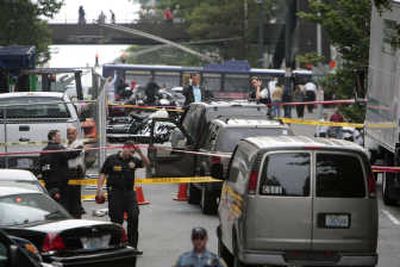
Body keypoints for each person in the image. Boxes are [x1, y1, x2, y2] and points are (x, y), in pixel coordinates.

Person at [96, 141, 150, 253]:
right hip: (115, 193)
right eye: (130, 151)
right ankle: (116, 247)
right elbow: (103, 173)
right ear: (124, 148)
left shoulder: (133, 160)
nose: (131, 154)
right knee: (116, 221)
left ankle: (132, 247)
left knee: (134, 217)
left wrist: (140, 153)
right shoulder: (112, 159)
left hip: (129, 193)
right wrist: (99, 189)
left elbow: (147, 164)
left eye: (133, 152)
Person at [40, 130, 81, 208]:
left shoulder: (44, 150)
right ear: (53, 137)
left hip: (48, 182)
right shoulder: (58, 148)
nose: (60, 138)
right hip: (60, 182)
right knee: (63, 203)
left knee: (51, 203)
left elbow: (41, 165)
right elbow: (70, 154)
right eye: (58, 136)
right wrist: (79, 148)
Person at [66, 126, 85, 218]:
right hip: (67, 172)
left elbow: (72, 154)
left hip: (76, 172)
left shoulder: (79, 144)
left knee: (76, 195)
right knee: (68, 195)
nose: (70, 135)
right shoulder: (65, 144)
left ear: (76, 134)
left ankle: (77, 215)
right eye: (69, 133)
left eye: (72, 133)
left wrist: (63, 154)